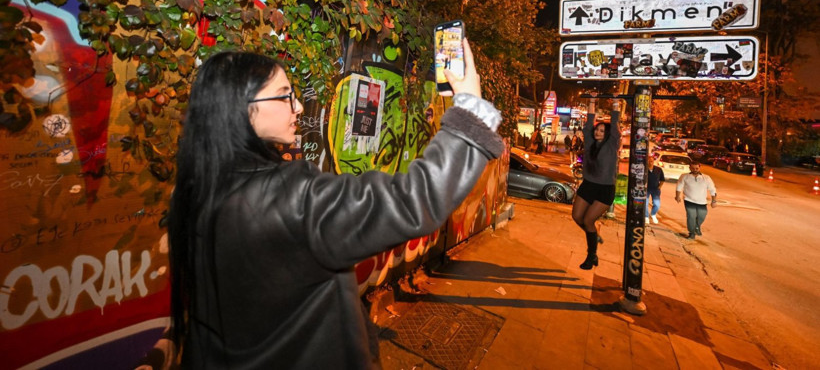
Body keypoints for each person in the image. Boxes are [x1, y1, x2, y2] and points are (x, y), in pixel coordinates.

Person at [168, 39, 504, 368]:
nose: (298, 106)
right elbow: (415, 199)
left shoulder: (198, 191)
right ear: (243, 109)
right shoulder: (289, 197)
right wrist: (469, 113)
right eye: (286, 96)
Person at [571, 96, 621, 269]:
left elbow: (614, 126)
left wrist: (615, 104)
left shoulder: (611, 145)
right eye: (597, 130)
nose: (598, 132)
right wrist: (591, 102)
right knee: (577, 217)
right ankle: (593, 236)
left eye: (601, 131)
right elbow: (587, 126)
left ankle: (591, 255)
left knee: (588, 220)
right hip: (588, 185)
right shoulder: (590, 144)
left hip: (605, 189)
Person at [675, 161, 717, 239]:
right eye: (693, 168)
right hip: (689, 200)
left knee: (702, 216)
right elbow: (679, 186)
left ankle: (697, 226)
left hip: (702, 202)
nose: (695, 170)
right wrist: (677, 196)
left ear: (699, 168)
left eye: (697, 168)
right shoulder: (684, 176)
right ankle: (692, 233)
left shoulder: (706, 178)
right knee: (691, 216)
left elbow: (712, 189)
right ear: (689, 168)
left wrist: (714, 201)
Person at [644, 156, 665, 224]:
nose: (650, 163)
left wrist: (659, 187)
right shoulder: (644, 169)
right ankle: (646, 217)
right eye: (648, 161)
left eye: (651, 161)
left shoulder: (658, 169)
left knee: (657, 204)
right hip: (646, 189)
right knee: (645, 203)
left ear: (653, 161)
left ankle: (653, 214)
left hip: (655, 189)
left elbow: (662, 179)